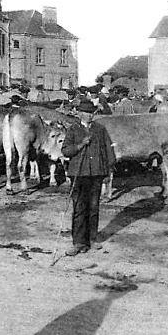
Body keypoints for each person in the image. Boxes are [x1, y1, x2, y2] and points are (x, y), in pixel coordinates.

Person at [61, 100, 116, 256]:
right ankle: (78, 242)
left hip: (96, 174)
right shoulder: (73, 129)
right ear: (79, 113)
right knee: (79, 208)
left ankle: (92, 239)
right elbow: (65, 150)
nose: (90, 115)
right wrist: (80, 145)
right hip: (79, 174)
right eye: (86, 112)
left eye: (92, 112)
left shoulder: (100, 129)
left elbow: (108, 151)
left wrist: (107, 172)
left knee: (93, 208)